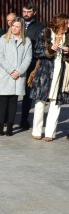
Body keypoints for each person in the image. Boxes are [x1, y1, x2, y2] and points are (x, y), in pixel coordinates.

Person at [29, 14, 69, 142]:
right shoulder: (46, 33)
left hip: (61, 74)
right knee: (40, 102)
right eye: (66, 23)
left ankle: (50, 133)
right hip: (45, 74)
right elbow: (37, 52)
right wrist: (50, 50)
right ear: (60, 23)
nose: (68, 26)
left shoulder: (67, 36)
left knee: (56, 103)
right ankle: (36, 130)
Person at [0, 17, 32, 136]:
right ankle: (0, 125)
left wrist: (19, 71)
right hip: (6, 74)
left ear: (21, 28)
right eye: (13, 26)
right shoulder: (3, 39)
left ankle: (10, 126)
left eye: (17, 27)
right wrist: (11, 70)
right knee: (3, 100)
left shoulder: (27, 41)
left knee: (14, 101)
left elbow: (28, 58)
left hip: (18, 76)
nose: (15, 28)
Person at [19, 2, 45, 130]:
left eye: (29, 12)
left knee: (27, 93)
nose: (26, 14)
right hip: (16, 62)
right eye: (24, 11)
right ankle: (7, 119)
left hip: (31, 63)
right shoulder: (18, 23)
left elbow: (40, 44)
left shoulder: (40, 26)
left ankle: (23, 120)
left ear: (34, 12)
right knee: (10, 93)